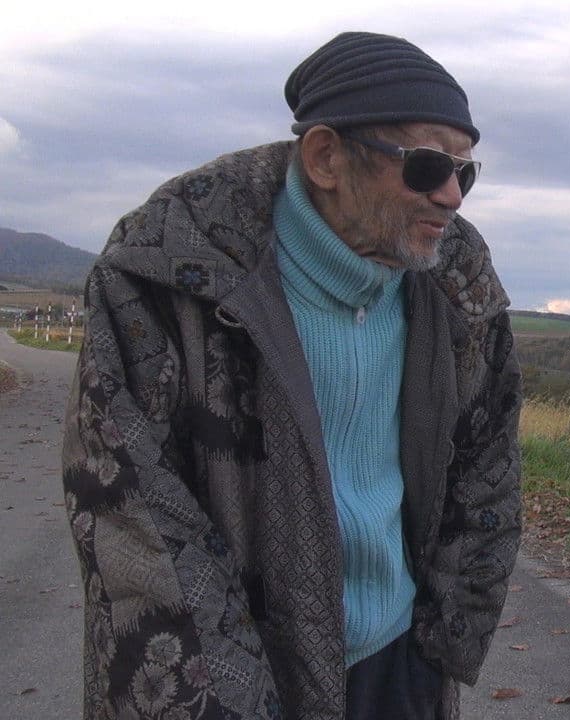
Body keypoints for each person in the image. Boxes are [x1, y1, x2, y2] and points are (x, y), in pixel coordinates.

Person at [60, 32, 521, 720]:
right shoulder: (161, 278)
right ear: (326, 157)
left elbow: (489, 461)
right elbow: (134, 524)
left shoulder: (459, 290)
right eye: (427, 166)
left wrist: (440, 641)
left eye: (465, 172)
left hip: (402, 665)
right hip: (240, 680)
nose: (452, 196)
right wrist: (227, 696)